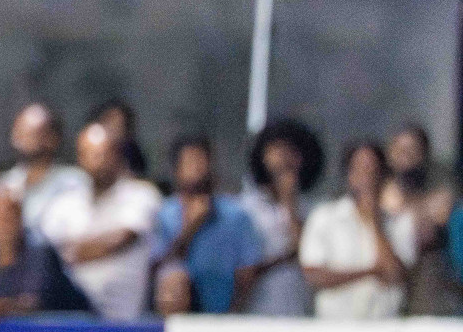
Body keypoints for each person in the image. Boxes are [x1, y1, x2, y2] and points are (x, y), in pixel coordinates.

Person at [40, 122, 161, 321]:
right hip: (71, 318)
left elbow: (122, 238)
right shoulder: (64, 203)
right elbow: (47, 253)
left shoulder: (141, 194)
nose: (96, 161)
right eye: (88, 153)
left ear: (118, 155)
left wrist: (70, 251)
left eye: (102, 153)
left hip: (124, 318)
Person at [0, 187, 91, 327]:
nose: (3, 225)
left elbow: (31, 305)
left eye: (9, 216)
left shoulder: (39, 250)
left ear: (20, 217)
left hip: (75, 331)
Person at [300, 142, 417, 320]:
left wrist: (375, 223)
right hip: (334, 327)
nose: (368, 177)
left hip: (383, 328)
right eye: (361, 169)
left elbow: (395, 274)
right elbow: (314, 275)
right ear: (349, 175)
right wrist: (370, 272)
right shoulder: (325, 217)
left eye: (374, 170)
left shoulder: (400, 223)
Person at [150, 136, 262, 314]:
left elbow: (247, 273)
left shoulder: (236, 215)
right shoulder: (163, 214)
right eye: (191, 161)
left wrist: (233, 315)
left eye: (203, 160)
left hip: (223, 318)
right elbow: (157, 268)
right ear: (177, 170)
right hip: (175, 322)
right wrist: (191, 227)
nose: (199, 168)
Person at [238, 118, 322, 316]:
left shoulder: (315, 211)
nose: (284, 158)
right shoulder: (247, 209)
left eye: (292, 152)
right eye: (276, 150)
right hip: (256, 311)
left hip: (298, 310)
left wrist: (290, 205)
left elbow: (309, 256)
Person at [381, 124, 459, 315]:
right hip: (384, 278)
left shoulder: (441, 187)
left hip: (424, 279)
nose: (405, 156)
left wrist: (409, 205)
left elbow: (437, 219)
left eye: (413, 150)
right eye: (400, 149)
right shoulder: (380, 189)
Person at [1, 103, 86, 233]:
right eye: (19, 132)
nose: (21, 139)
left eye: (31, 133)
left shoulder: (73, 182)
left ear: (52, 138)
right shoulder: (5, 185)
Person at [88, 98, 148, 180]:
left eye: (119, 123)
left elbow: (139, 175)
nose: (114, 127)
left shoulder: (132, 150)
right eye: (110, 121)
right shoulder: (91, 145)